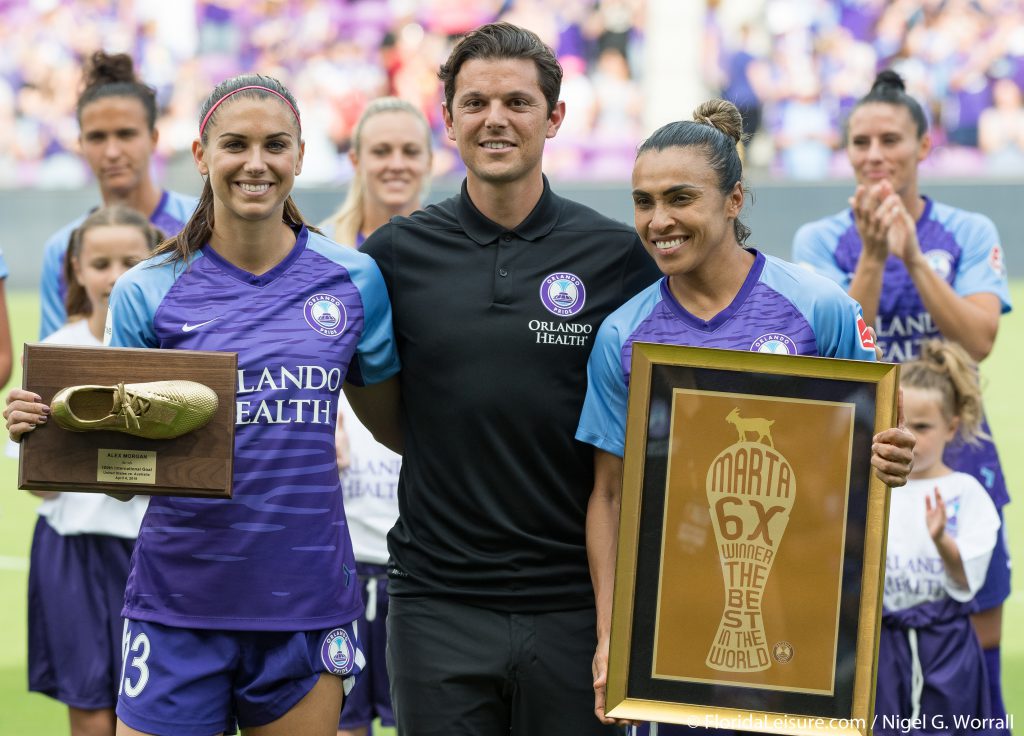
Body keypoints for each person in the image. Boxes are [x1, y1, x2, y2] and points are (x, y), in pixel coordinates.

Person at [6, 74, 399, 736]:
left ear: (301, 155)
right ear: (200, 155)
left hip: (305, 607)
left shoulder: (353, 280)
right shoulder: (146, 291)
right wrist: (50, 431)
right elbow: (123, 473)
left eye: (275, 145)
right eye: (234, 144)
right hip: (176, 603)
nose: (256, 162)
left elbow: (399, 428)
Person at [345, 22, 662, 736]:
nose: (496, 119)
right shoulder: (395, 255)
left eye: (518, 103)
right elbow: (381, 407)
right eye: (476, 102)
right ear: (449, 118)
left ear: (555, 117)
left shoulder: (617, 255)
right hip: (436, 603)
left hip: (575, 603)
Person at [576, 99, 916, 731]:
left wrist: (893, 458)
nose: (659, 221)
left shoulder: (819, 308)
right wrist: (610, 638)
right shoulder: (624, 335)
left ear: (734, 200)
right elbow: (611, 494)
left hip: (806, 623)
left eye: (680, 198)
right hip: (670, 629)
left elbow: (876, 445)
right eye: (643, 202)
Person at [792, 69, 1012, 726]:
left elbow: (977, 341)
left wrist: (914, 258)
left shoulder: (967, 231)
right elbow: (835, 357)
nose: (874, 155)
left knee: (975, 623)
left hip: (961, 451)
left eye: (891, 138)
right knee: (870, 632)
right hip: (863, 458)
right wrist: (872, 255)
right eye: (860, 142)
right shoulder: (816, 241)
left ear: (924, 146)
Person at [19, 206, 161, 736]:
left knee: (164, 707)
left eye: (131, 260)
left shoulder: (178, 353)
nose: (116, 275)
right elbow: (42, 493)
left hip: (154, 550)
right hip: (74, 551)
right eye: (101, 262)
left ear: (156, 264)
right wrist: (30, 436)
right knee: (90, 709)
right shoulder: (55, 355)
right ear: (76, 269)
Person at [325, 96, 433, 736]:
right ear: (355, 159)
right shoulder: (318, 259)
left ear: (430, 159)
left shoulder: (458, 259)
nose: (395, 164)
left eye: (408, 151)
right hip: (337, 529)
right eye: (381, 151)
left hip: (427, 525)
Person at [876, 340, 1000, 733]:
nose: (909, 436)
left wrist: (942, 540)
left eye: (923, 426)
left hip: (946, 648)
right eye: (900, 422)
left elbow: (966, 583)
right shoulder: (873, 487)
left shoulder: (966, 493)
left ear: (951, 427)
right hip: (884, 646)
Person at [38, 50, 196, 340]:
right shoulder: (62, 248)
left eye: (125, 134)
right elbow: (55, 358)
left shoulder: (202, 224)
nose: (112, 152)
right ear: (80, 144)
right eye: (97, 137)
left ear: (153, 138)